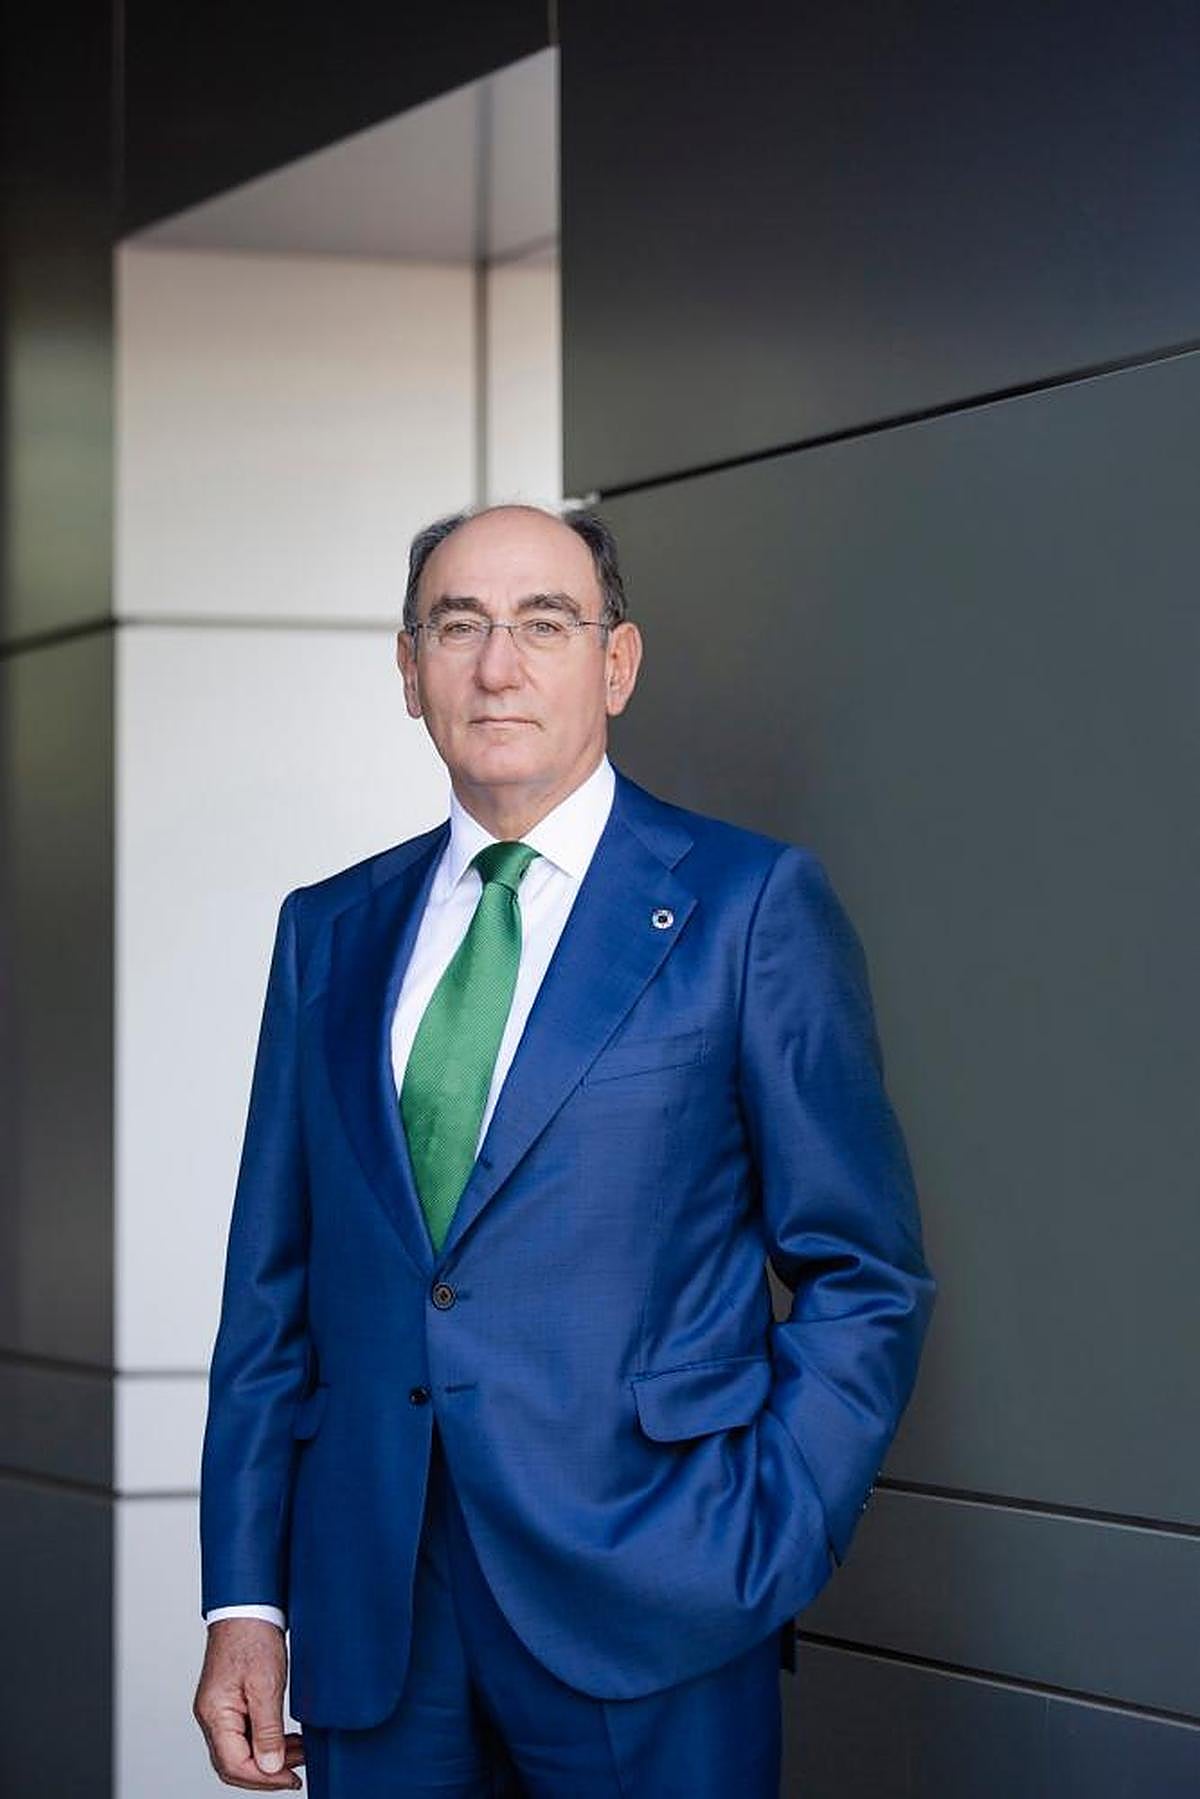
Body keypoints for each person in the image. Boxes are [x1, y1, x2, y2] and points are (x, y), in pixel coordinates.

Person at [192, 502, 936, 1797]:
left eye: (545, 624)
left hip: (660, 1601)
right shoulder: (329, 932)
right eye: (459, 627)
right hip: (376, 1617)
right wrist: (244, 1599)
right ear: (409, 669)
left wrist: (770, 1533)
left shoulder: (748, 908)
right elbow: (271, 1296)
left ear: (617, 663)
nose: (499, 665)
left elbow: (865, 1269)